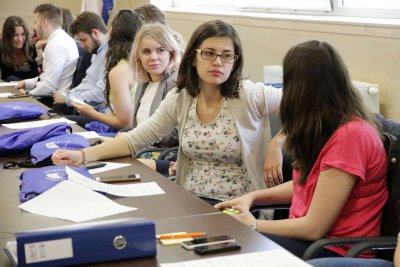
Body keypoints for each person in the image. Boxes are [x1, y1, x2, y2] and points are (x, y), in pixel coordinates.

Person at [51, 20, 282, 205]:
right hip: (188, 200)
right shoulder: (182, 97)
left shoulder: (250, 94)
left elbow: (313, 106)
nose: (218, 62)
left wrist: (278, 142)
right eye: (209, 53)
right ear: (193, 57)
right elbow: (135, 139)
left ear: (235, 60)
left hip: (237, 208)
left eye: (227, 55)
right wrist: (82, 156)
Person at [215, 40, 388, 258]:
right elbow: (307, 185)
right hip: (309, 242)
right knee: (225, 242)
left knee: (235, 246)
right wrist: (252, 198)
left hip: (332, 249)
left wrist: (254, 224)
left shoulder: (352, 136)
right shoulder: (330, 126)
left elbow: (314, 228)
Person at [66, 9, 144, 131]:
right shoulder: (138, 62)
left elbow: (125, 123)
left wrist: (90, 112)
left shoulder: (119, 71)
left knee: (63, 126)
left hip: (125, 134)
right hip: (132, 128)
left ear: (112, 33)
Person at [129, 22, 184, 176]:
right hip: (143, 150)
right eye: (146, 51)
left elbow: (176, 134)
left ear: (171, 53)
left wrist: (138, 137)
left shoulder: (177, 82)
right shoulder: (144, 82)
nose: (154, 57)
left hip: (168, 157)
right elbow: (138, 125)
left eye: (160, 50)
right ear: (138, 56)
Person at [15, 3, 79, 106]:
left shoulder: (56, 45)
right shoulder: (62, 39)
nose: (34, 27)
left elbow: (49, 85)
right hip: (53, 98)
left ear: (44, 23)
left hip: (54, 103)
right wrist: (26, 83)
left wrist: (26, 96)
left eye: (36, 22)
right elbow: (46, 78)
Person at [52, 11, 109, 115]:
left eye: (83, 40)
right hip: (91, 106)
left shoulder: (109, 54)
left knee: (59, 120)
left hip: (100, 110)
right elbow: (88, 83)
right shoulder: (98, 51)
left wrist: (69, 98)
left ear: (95, 33)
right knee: (55, 113)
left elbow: (101, 93)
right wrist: (68, 95)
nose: (82, 46)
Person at [0, 16, 39, 81]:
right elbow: (7, 76)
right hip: (11, 89)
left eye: (23, 34)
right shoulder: (2, 50)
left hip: (33, 88)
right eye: (15, 35)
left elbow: (37, 74)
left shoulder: (33, 48)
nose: (20, 39)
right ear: (7, 36)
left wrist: (16, 77)